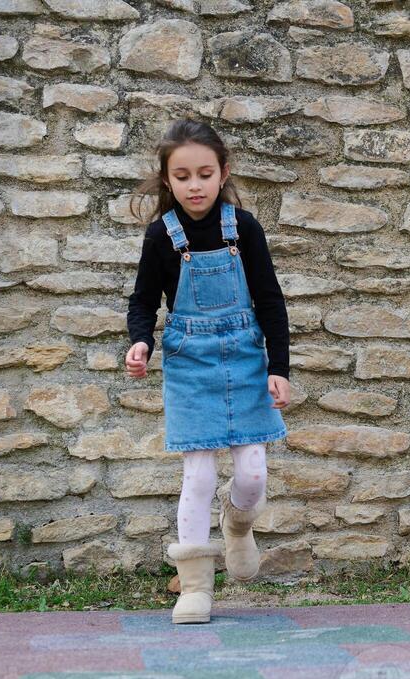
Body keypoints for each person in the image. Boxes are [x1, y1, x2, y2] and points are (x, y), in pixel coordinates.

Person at [124, 119, 291, 624]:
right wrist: (140, 341)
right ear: (167, 180)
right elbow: (143, 300)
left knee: (252, 473)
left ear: (223, 173)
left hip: (245, 358)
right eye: (182, 176)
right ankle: (194, 587)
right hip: (190, 363)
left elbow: (270, 301)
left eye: (203, 174)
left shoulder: (244, 228)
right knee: (197, 477)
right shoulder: (161, 236)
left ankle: (238, 527)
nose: (193, 186)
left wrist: (278, 367)